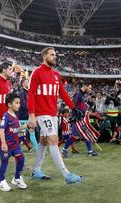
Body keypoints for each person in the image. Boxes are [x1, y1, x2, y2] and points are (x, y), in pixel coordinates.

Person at [27, 47, 82, 184]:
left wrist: (74, 108)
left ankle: (37, 170)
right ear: (44, 56)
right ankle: (67, 175)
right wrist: (31, 115)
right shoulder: (37, 72)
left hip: (53, 113)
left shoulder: (56, 75)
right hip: (42, 113)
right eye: (52, 55)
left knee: (43, 141)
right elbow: (31, 95)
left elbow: (62, 94)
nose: (55, 57)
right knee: (53, 140)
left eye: (55, 55)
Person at [0, 93, 27, 192]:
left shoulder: (15, 115)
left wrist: (26, 126)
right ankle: (1, 182)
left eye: (19, 103)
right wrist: (3, 143)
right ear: (9, 104)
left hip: (15, 145)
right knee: (4, 162)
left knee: (21, 159)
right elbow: (1, 130)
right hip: (7, 145)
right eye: (17, 103)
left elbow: (16, 128)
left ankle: (16, 178)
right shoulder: (6, 116)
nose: (19, 105)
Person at [71, 82, 98, 157]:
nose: (90, 90)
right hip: (77, 120)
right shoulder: (78, 94)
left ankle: (90, 152)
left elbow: (80, 107)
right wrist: (79, 112)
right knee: (75, 136)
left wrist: (85, 111)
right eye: (89, 88)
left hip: (80, 119)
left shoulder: (82, 95)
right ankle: (63, 150)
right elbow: (73, 105)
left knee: (86, 134)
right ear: (85, 86)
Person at [17, 78, 37, 151]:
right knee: (21, 134)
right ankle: (15, 148)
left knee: (31, 132)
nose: (28, 83)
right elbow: (22, 104)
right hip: (22, 116)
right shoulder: (21, 93)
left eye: (28, 82)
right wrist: (32, 108)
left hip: (28, 116)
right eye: (27, 82)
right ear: (23, 84)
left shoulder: (29, 92)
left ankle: (36, 148)